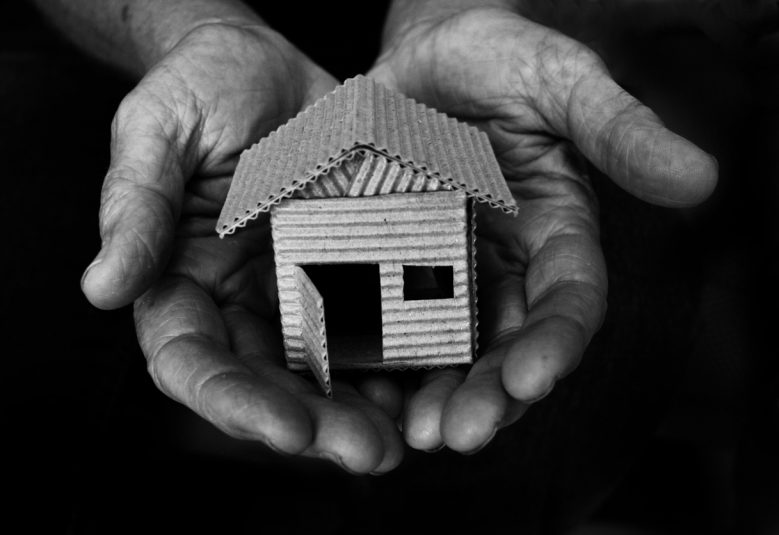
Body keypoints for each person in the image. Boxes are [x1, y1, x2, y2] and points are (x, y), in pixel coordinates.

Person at [33, 0, 719, 475]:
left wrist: (445, 10)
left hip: (455, 60)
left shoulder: (429, 172)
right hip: (140, 61)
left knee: (599, 354)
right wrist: (193, 27)